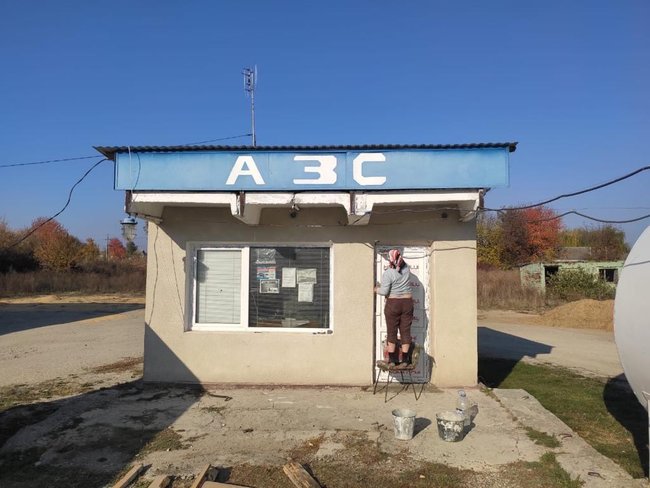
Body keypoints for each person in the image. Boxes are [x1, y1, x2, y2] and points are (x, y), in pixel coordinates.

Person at [374, 249, 415, 368]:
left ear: (391, 260)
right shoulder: (406, 268)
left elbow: (384, 291)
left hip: (393, 303)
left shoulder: (388, 273)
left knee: (391, 331)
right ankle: (405, 361)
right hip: (407, 303)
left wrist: (376, 289)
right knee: (405, 331)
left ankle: (392, 360)